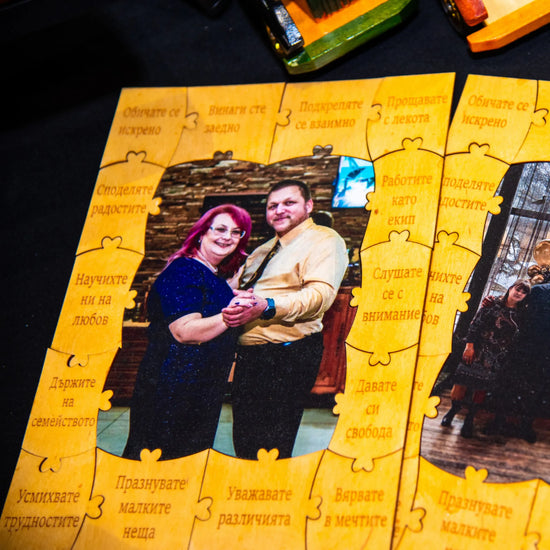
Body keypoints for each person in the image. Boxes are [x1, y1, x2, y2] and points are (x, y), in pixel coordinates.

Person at [222, 180, 348, 460]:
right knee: (245, 441)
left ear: (308, 206)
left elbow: (320, 296)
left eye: (289, 203)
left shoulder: (325, 240)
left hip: (285, 357)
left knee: (271, 448)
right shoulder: (263, 250)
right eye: (272, 206)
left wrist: (267, 306)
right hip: (250, 358)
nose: (279, 210)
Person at [122, 204, 252, 460]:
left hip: (197, 387)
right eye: (220, 229)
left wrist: (230, 293)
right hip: (173, 389)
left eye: (236, 232)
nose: (227, 237)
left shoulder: (208, 272)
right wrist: (232, 313)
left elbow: (206, 299)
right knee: (161, 463)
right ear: (202, 232)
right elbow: (185, 331)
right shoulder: (184, 270)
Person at [440, 279, 531, 438]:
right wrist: (469, 346)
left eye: (524, 292)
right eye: (518, 289)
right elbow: (475, 325)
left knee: (481, 389)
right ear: (511, 288)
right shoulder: (492, 304)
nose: (519, 293)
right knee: (461, 383)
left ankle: (469, 419)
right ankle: (452, 411)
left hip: (496, 357)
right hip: (476, 350)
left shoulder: (521, 315)